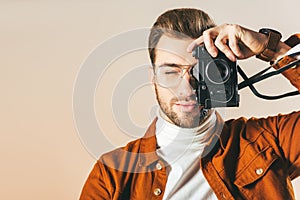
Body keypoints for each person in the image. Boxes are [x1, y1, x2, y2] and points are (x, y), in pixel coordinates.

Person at [80, 8, 300, 199]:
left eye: (199, 71)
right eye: (170, 71)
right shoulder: (111, 175)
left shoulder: (270, 141)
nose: (187, 88)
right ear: (153, 78)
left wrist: (273, 49)